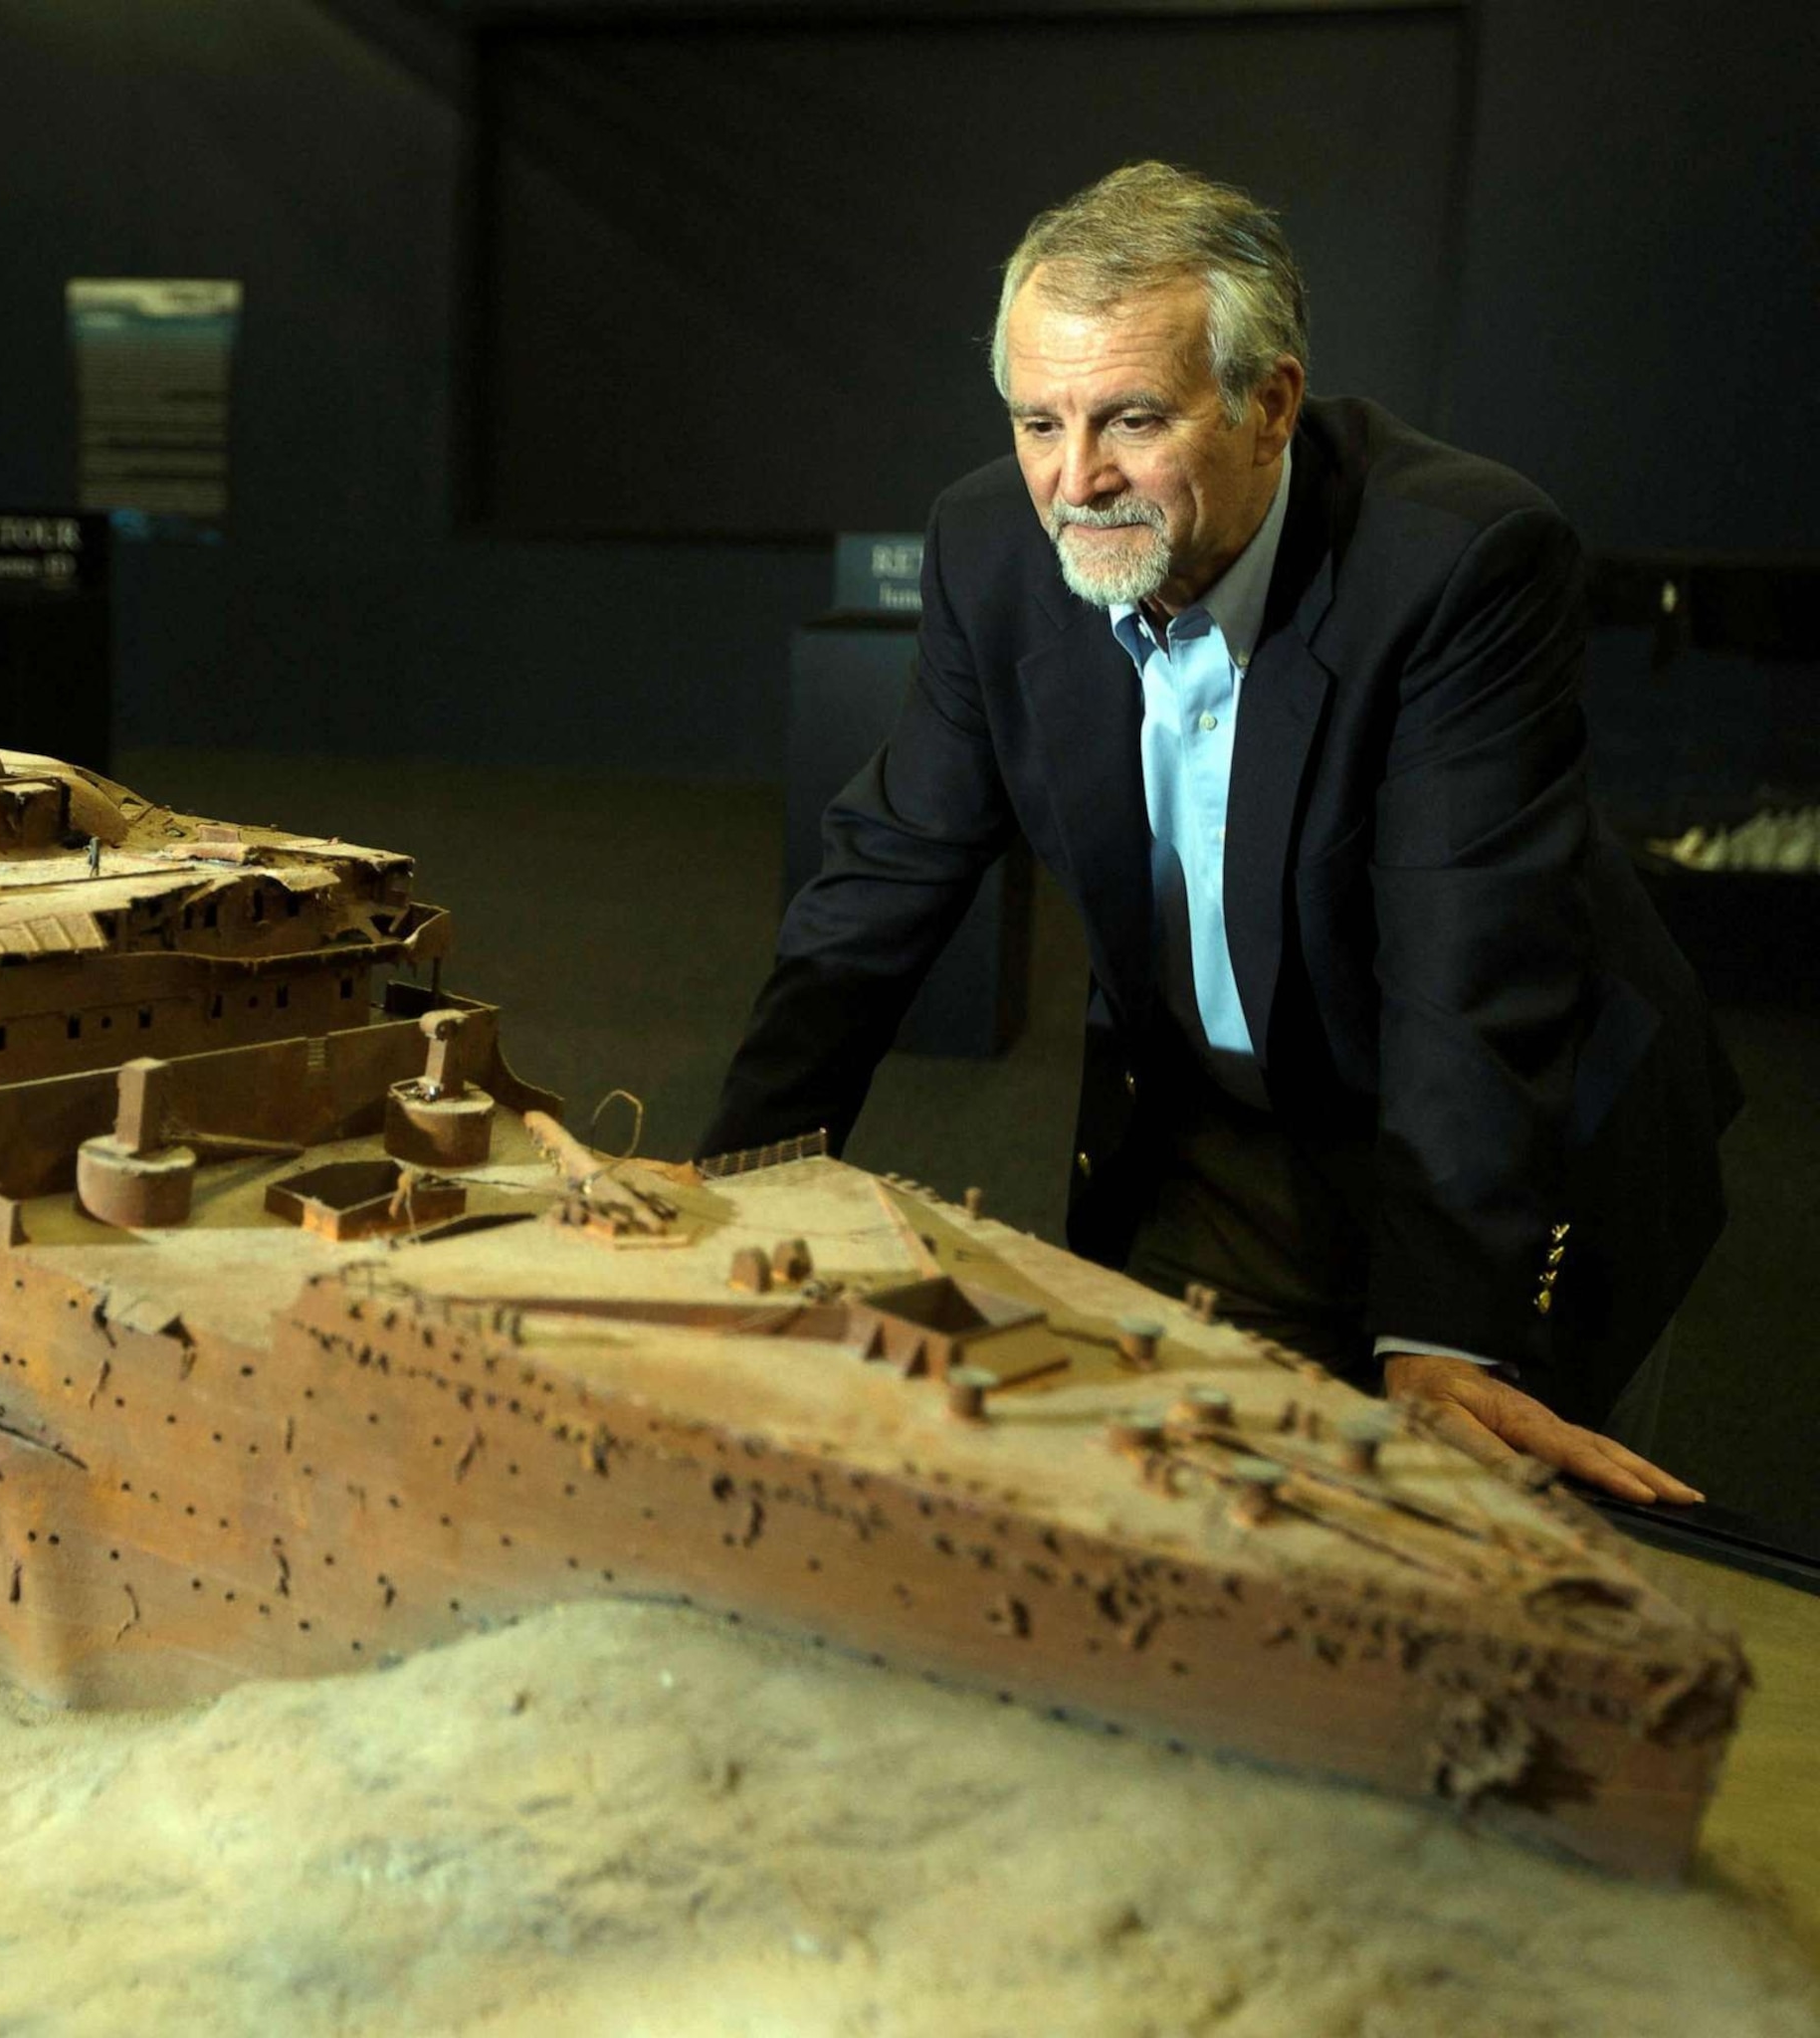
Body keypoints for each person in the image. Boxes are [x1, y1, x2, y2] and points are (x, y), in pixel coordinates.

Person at [701, 162, 1738, 1503]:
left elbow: (1468, 966)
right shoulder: (992, 547)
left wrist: (1439, 1339)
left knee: (1466, 1539)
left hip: (1500, 1126)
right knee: (1185, 1502)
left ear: (1272, 404)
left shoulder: (1460, 560)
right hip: (1220, 1120)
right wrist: (730, 1180)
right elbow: (890, 870)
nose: (1075, 480)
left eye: (1132, 418)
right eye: (1037, 422)